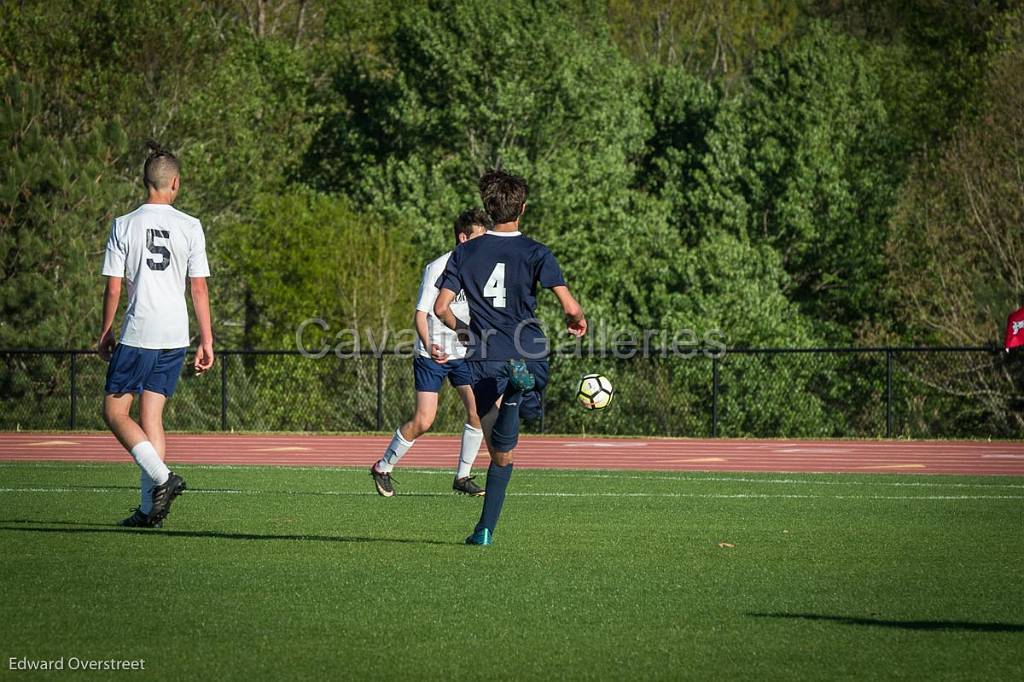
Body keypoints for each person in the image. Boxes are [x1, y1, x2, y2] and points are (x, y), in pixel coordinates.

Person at [435, 170, 586, 545]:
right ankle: (520, 397)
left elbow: (441, 308)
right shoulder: (536, 251)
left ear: (489, 209)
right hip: (531, 352)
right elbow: (569, 305)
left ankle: (485, 530)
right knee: (509, 441)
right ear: (522, 208)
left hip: (485, 357)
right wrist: (577, 319)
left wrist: (465, 331)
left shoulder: (464, 252)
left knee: (500, 451)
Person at [98, 141, 214, 528]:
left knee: (114, 412)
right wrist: (207, 339)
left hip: (140, 330)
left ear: (144, 182)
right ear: (175, 183)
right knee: (152, 418)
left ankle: (164, 479)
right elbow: (198, 289)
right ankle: (150, 511)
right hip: (175, 334)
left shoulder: (124, 224)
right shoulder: (191, 226)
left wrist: (104, 331)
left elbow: (114, 288)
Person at [371, 209, 490, 496]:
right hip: (432, 355)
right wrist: (428, 344)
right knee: (424, 421)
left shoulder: (479, 268)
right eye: (479, 238)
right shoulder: (438, 268)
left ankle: (462, 477)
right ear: (463, 238)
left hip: (463, 353)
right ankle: (383, 466)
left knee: (477, 412)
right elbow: (420, 315)